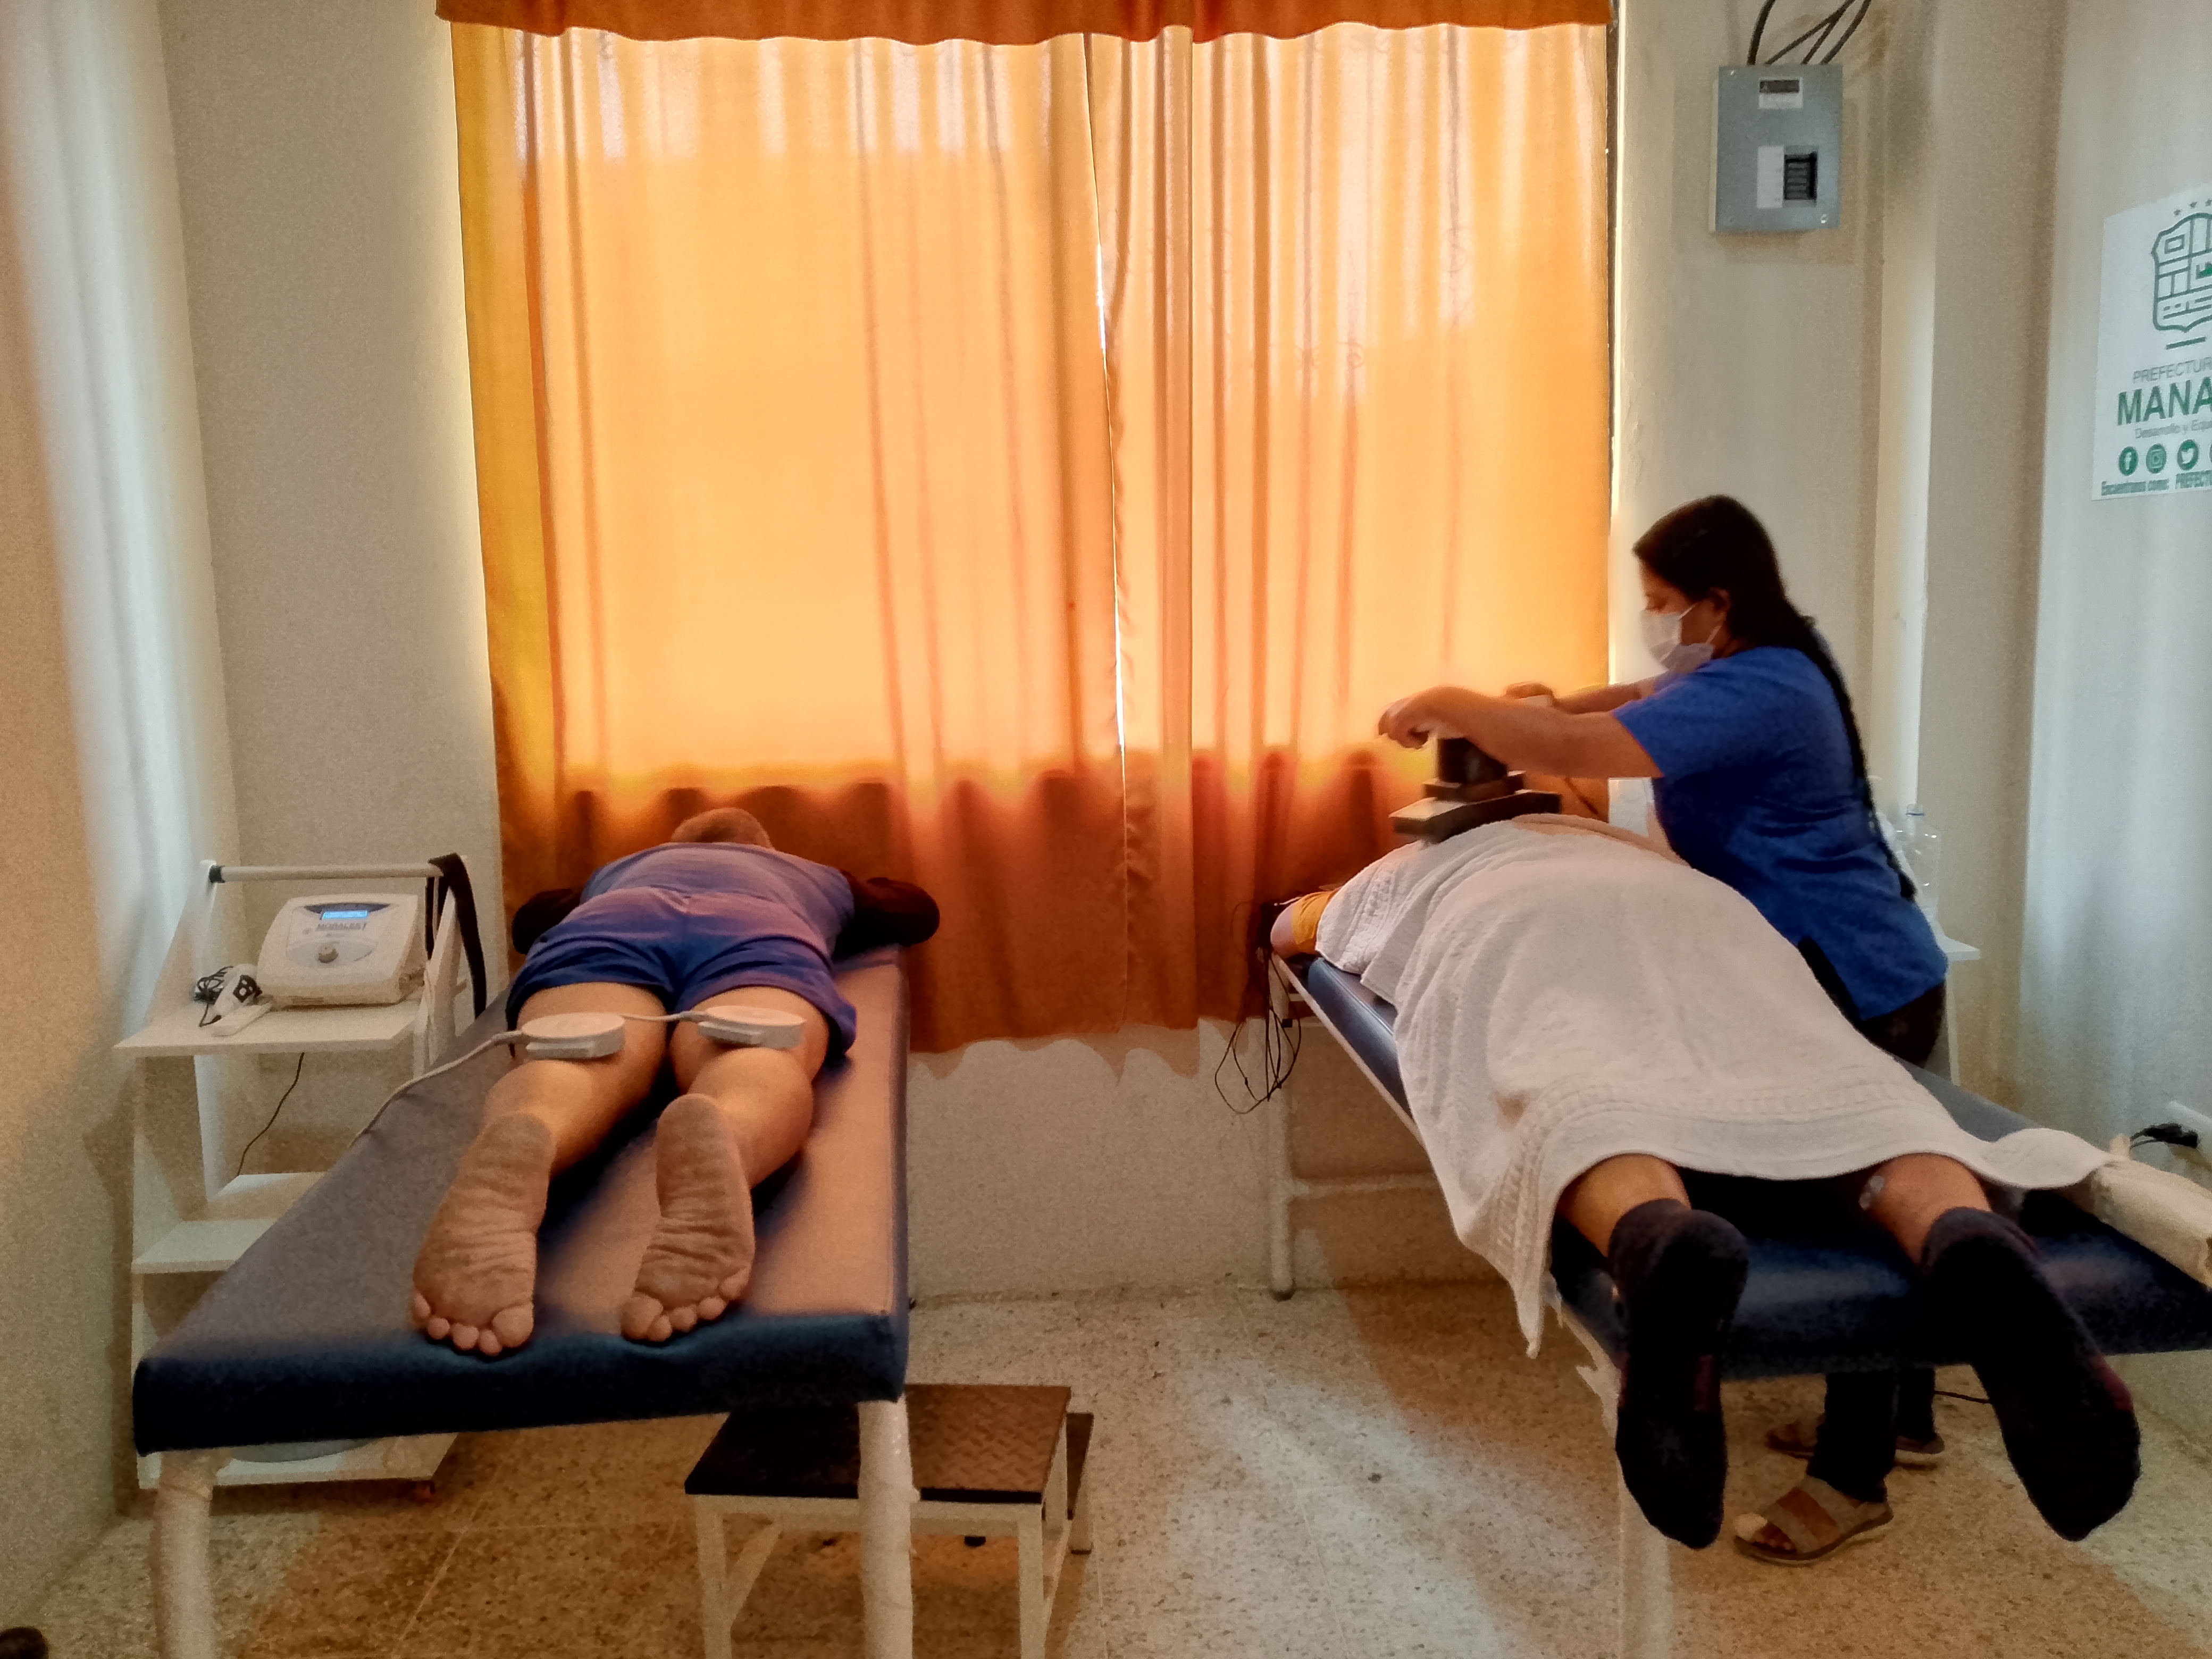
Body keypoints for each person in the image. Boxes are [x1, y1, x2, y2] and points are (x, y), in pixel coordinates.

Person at [1367, 495, 2126, 1562]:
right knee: (1877, 1167)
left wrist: (1457, 703)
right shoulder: (1746, 666)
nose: (1655, 624)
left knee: (1857, 1185)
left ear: (1717, 604)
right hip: (1835, 957)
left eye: (1663, 605)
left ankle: (1852, 1476)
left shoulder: (1762, 689)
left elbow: (1585, 742)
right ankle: (1906, 1422)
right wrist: (1517, 708)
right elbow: (1620, 700)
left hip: (1849, 972)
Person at [1268, 813, 2138, 1563]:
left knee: (1575, 1092)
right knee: (1847, 1091)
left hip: (1519, 931)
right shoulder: (1628, 845)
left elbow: (1294, 931)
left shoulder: (1413, 867)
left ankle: (1654, 1232)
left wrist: (1301, 910)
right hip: (1710, 924)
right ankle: (1961, 1231)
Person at [409, 808, 937, 1358]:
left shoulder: (620, 872)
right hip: (754, 931)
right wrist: (848, 890)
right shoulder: (810, 875)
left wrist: (593, 888)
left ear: (670, 845)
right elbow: (916, 910)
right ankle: (728, 1128)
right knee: (755, 1053)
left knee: (577, 1052)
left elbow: (530, 921)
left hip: (611, 925)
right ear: (766, 849)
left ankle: (533, 1126)